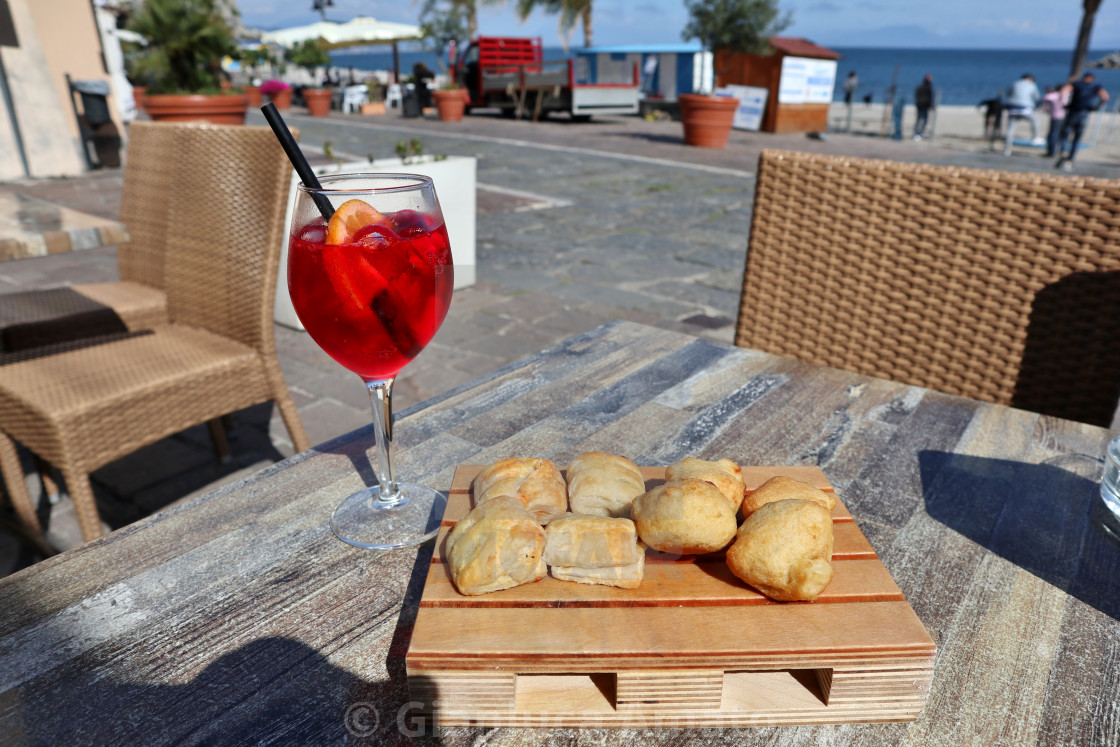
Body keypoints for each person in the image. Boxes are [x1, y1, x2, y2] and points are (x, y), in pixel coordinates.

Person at [1056, 71, 1110, 171]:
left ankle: (1063, 151)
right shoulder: (1095, 86)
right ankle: (1070, 161)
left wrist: (1063, 104)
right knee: (1077, 139)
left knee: (1065, 134)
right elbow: (1105, 97)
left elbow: (1063, 91)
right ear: (1092, 78)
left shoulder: (1076, 84)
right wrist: (1097, 107)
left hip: (1072, 112)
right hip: (1084, 114)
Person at [1002, 73, 1041, 156]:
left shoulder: (1015, 83)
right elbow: (1037, 97)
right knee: (1035, 120)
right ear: (1030, 78)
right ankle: (1035, 138)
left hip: (1012, 109)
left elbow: (1008, 93)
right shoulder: (1032, 85)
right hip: (1025, 109)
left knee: (1010, 129)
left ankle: (1007, 149)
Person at [1040, 84, 1067, 158]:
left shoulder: (1054, 95)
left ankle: (1051, 151)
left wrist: (1051, 92)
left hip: (1055, 117)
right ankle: (1062, 150)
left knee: (1053, 134)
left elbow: (1043, 98)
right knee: (1062, 135)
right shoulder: (1065, 95)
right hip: (1063, 117)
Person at [913, 74, 933, 140]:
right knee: (922, 119)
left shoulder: (921, 87)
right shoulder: (928, 87)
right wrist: (930, 105)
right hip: (923, 105)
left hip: (921, 105)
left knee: (920, 119)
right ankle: (918, 133)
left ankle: (918, 133)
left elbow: (916, 96)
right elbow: (929, 98)